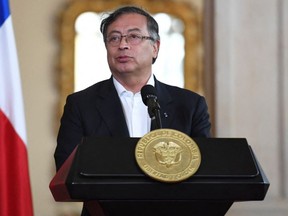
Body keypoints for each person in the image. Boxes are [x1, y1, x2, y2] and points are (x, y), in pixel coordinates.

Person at [54, 5, 211, 216]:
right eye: (114, 38)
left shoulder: (190, 105)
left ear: (155, 47)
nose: (123, 45)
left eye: (134, 36)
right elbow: (66, 168)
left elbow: (205, 171)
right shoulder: (81, 104)